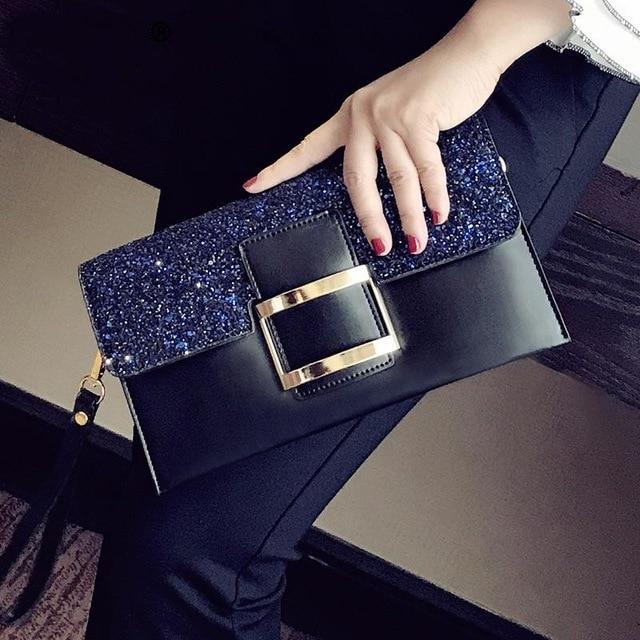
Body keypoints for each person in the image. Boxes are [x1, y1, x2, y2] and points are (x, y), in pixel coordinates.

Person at [85, 1, 640, 638]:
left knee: (191, 555)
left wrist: (480, 44)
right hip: (266, 32)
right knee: (169, 465)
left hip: (493, 45)